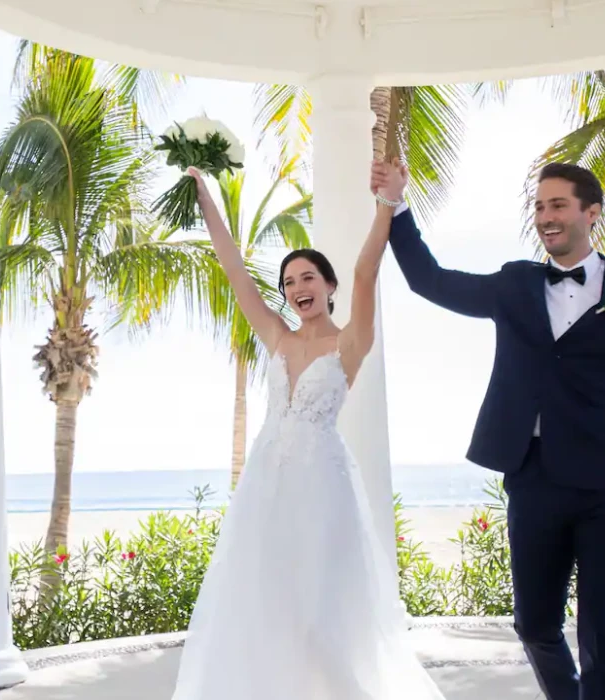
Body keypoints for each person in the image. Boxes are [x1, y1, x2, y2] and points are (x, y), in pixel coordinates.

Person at [375, 160, 605, 700]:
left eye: (557, 205)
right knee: (533, 624)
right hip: (533, 478)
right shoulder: (515, 285)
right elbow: (429, 282)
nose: (545, 217)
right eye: (538, 207)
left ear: (590, 213)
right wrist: (397, 204)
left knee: (603, 629)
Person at [169, 162, 445, 700]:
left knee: (321, 618)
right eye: (290, 281)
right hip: (266, 488)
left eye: (309, 277)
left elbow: (367, 270)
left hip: (322, 487)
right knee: (265, 609)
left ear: (329, 286)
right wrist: (205, 196)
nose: (298, 287)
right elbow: (233, 270)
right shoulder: (275, 336)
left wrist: (387, 203)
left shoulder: (349, 344)